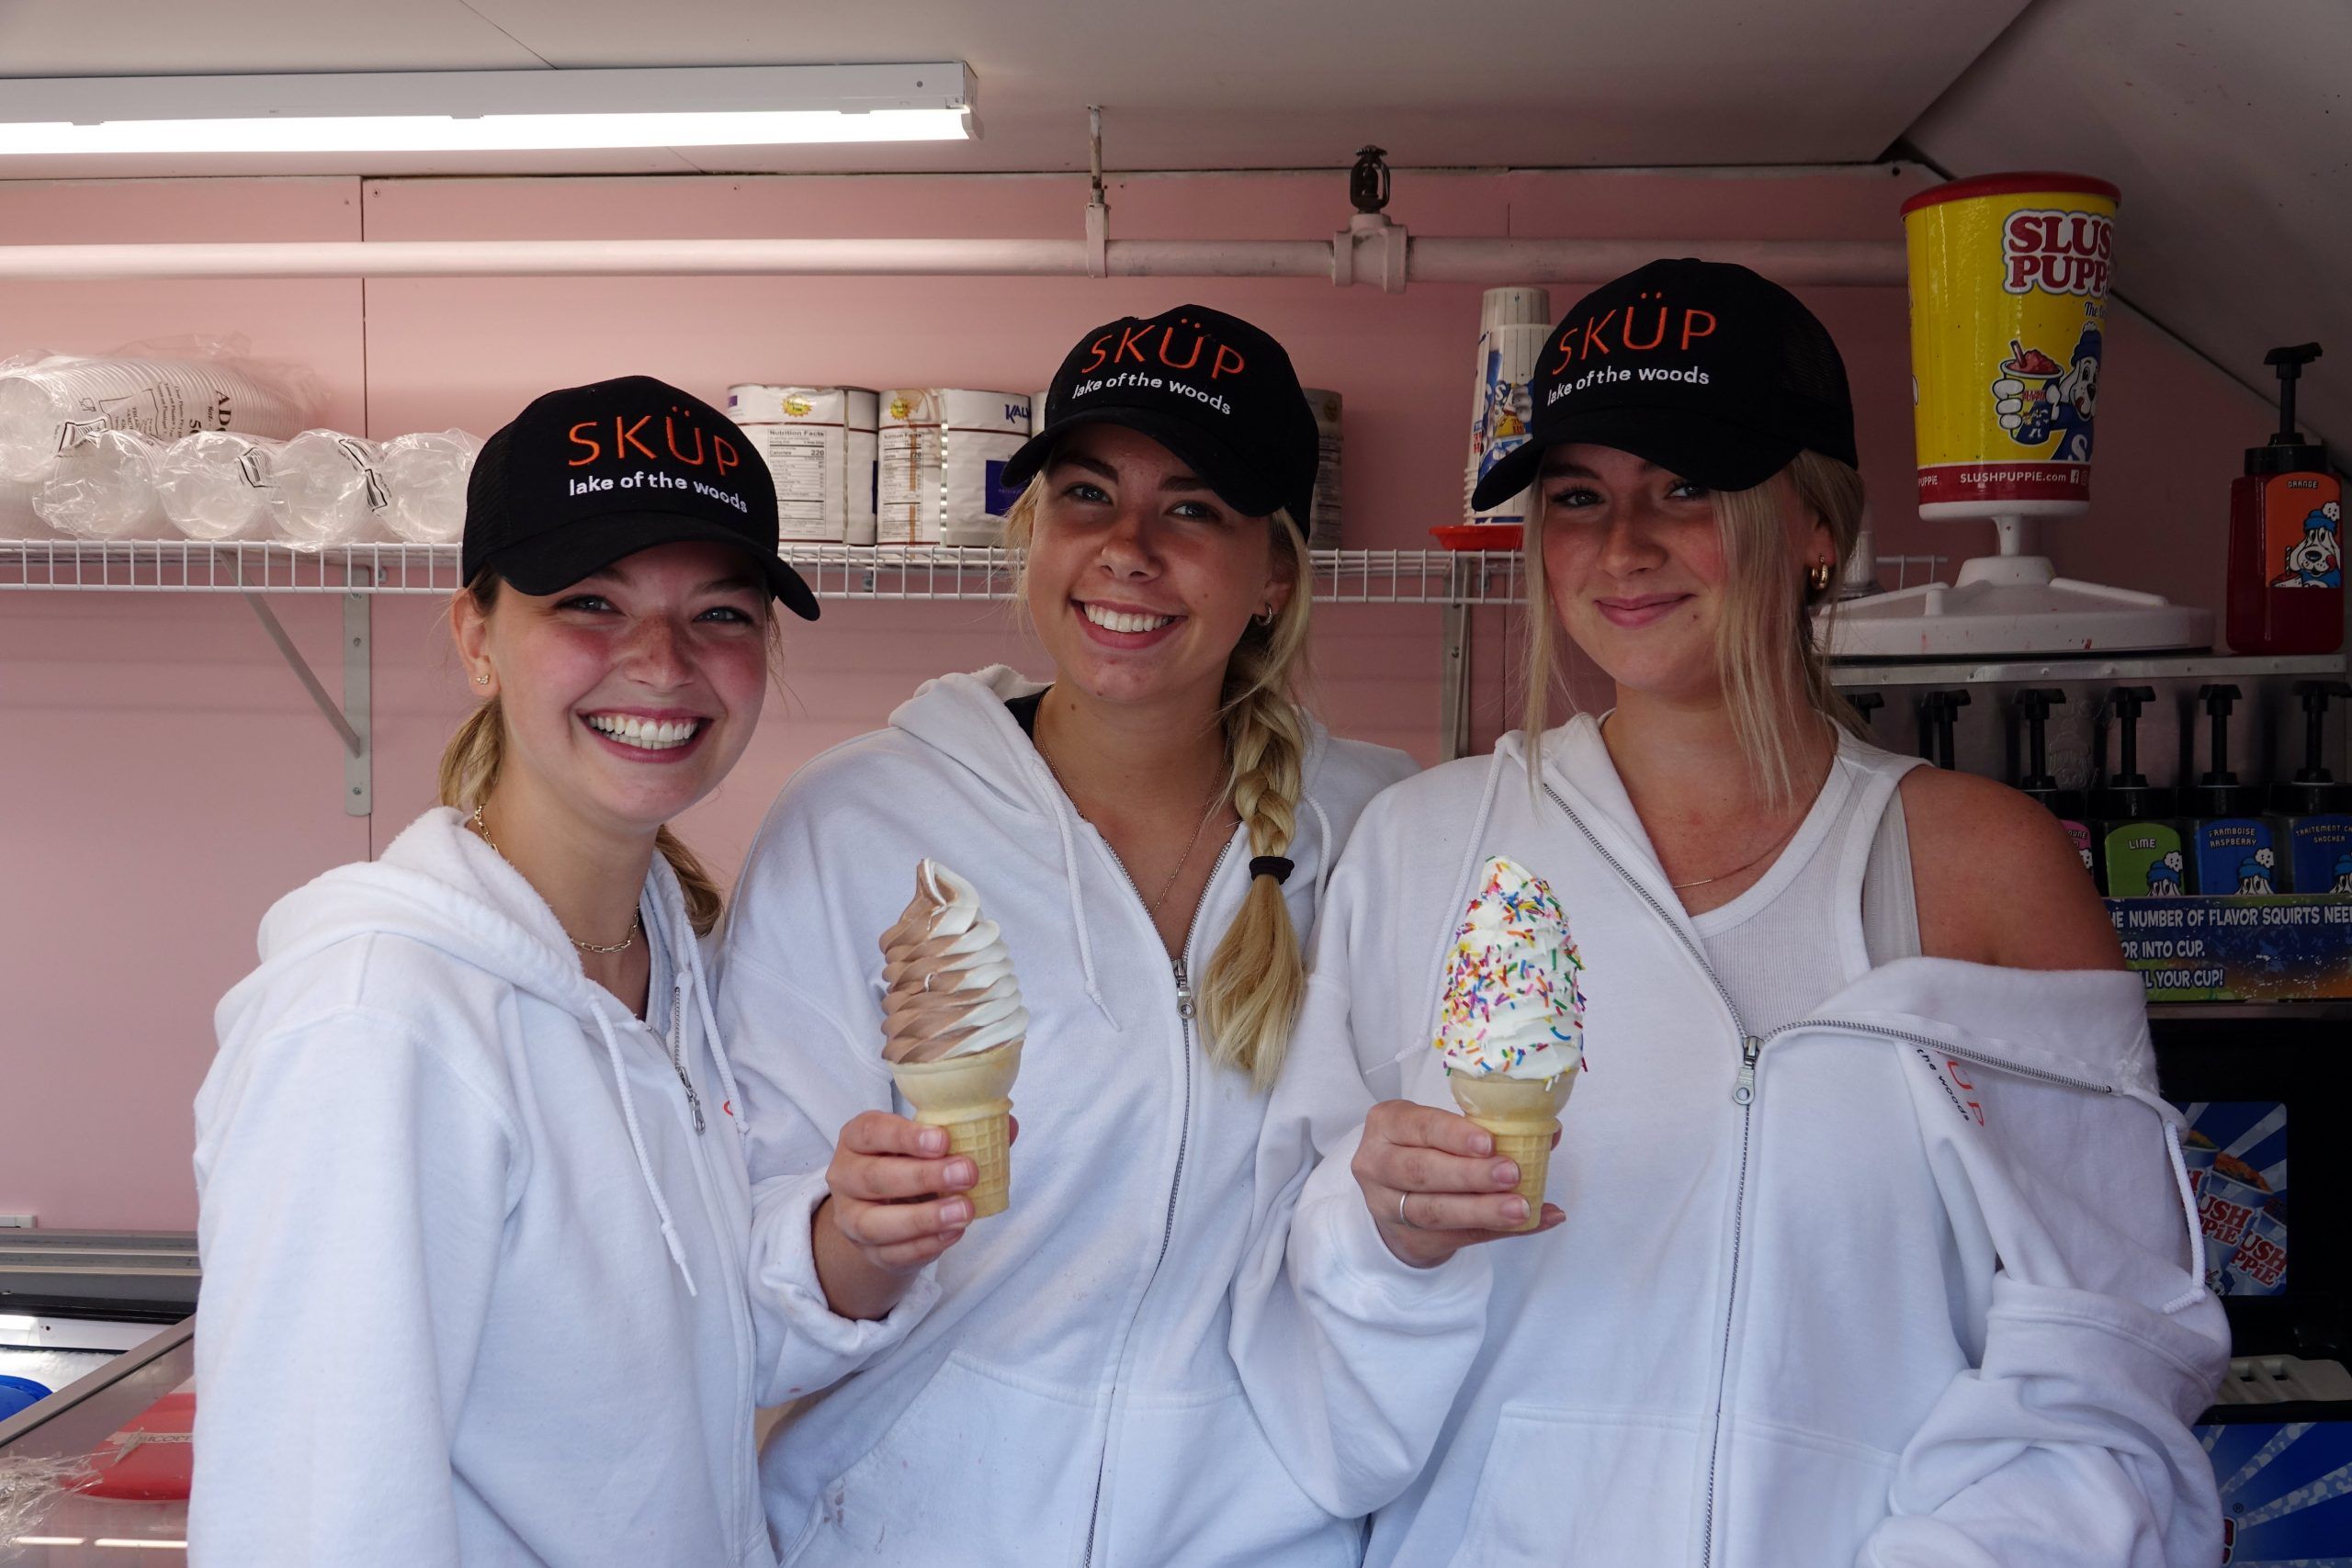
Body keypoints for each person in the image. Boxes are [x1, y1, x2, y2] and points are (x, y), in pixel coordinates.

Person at [1242, 261, 2229, 1566]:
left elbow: (2107, 1355)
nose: (1621, 546)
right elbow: (1303, 1359)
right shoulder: (1430, 849)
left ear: (1819, 526)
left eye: (1686, 488)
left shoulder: (1984, 869)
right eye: (1578, 497)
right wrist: (1384, 1240)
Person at [712, 304, 1417, 1563]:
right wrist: (844, 1238)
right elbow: (745, 1271)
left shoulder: (1380, 834)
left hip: (1263, 1537)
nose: (1130, 549)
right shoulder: (857, 819)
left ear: (1274, 573)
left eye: (1193, 507)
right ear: (1032, 533)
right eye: (1088, 495)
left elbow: (1383, 1259)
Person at [192, 378, 919, 1566]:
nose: (662, 662)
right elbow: (315, 1513)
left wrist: (853, 1252)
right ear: (479, 637)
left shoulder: (664, 962)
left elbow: (679, 1366)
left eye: (722, 615)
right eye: (592, 602)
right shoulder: (380, 1023)